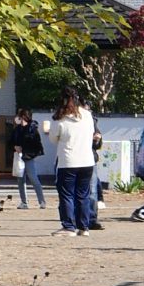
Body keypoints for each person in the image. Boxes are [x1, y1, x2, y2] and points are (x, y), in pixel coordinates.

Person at [48, 90, 102, 234]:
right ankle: (83, 227)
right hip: (87, 160)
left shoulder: (59, 118)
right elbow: (92, 133)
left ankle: (68, 226)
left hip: (68, 161)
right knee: (83, 195)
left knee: (67, 195)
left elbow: (53, 139)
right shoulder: (87, 115)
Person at [6, 109, 47, 209]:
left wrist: (26, 150)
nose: (20, 119)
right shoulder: (17, 130)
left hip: (28, 157)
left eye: (22, 117)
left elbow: (36, 144)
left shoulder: (32, 129)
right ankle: (24, 202)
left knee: (33, 178)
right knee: (20, 180)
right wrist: (15, 147)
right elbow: (10, 142)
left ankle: (42, 201)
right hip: (19, 157)